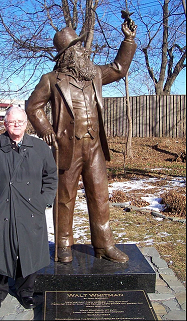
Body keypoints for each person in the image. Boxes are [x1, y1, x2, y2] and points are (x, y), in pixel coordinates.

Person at [26, 19, 137, 264]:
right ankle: (64, 243)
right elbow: (33, 106)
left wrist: (128, 40)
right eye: (76, 48)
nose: (82, 51)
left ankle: (104, 244)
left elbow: (119, 68)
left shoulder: (94, 74)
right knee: (64, 198)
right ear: (66, 55)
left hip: (94, 148)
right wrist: (45, 129)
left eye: (80, 47)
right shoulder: (51, 79)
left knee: (99, 196)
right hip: (67, 148)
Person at [0, 107, 58, 310]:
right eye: (11, 122)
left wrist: (43, 200)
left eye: (19, 121)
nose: (16, 125)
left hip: (31, 208)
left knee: (29, 250)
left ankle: (26, 291)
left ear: (26, 123)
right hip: (2, 208)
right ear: (5, 124)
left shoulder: (40, 147)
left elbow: (51, 177)